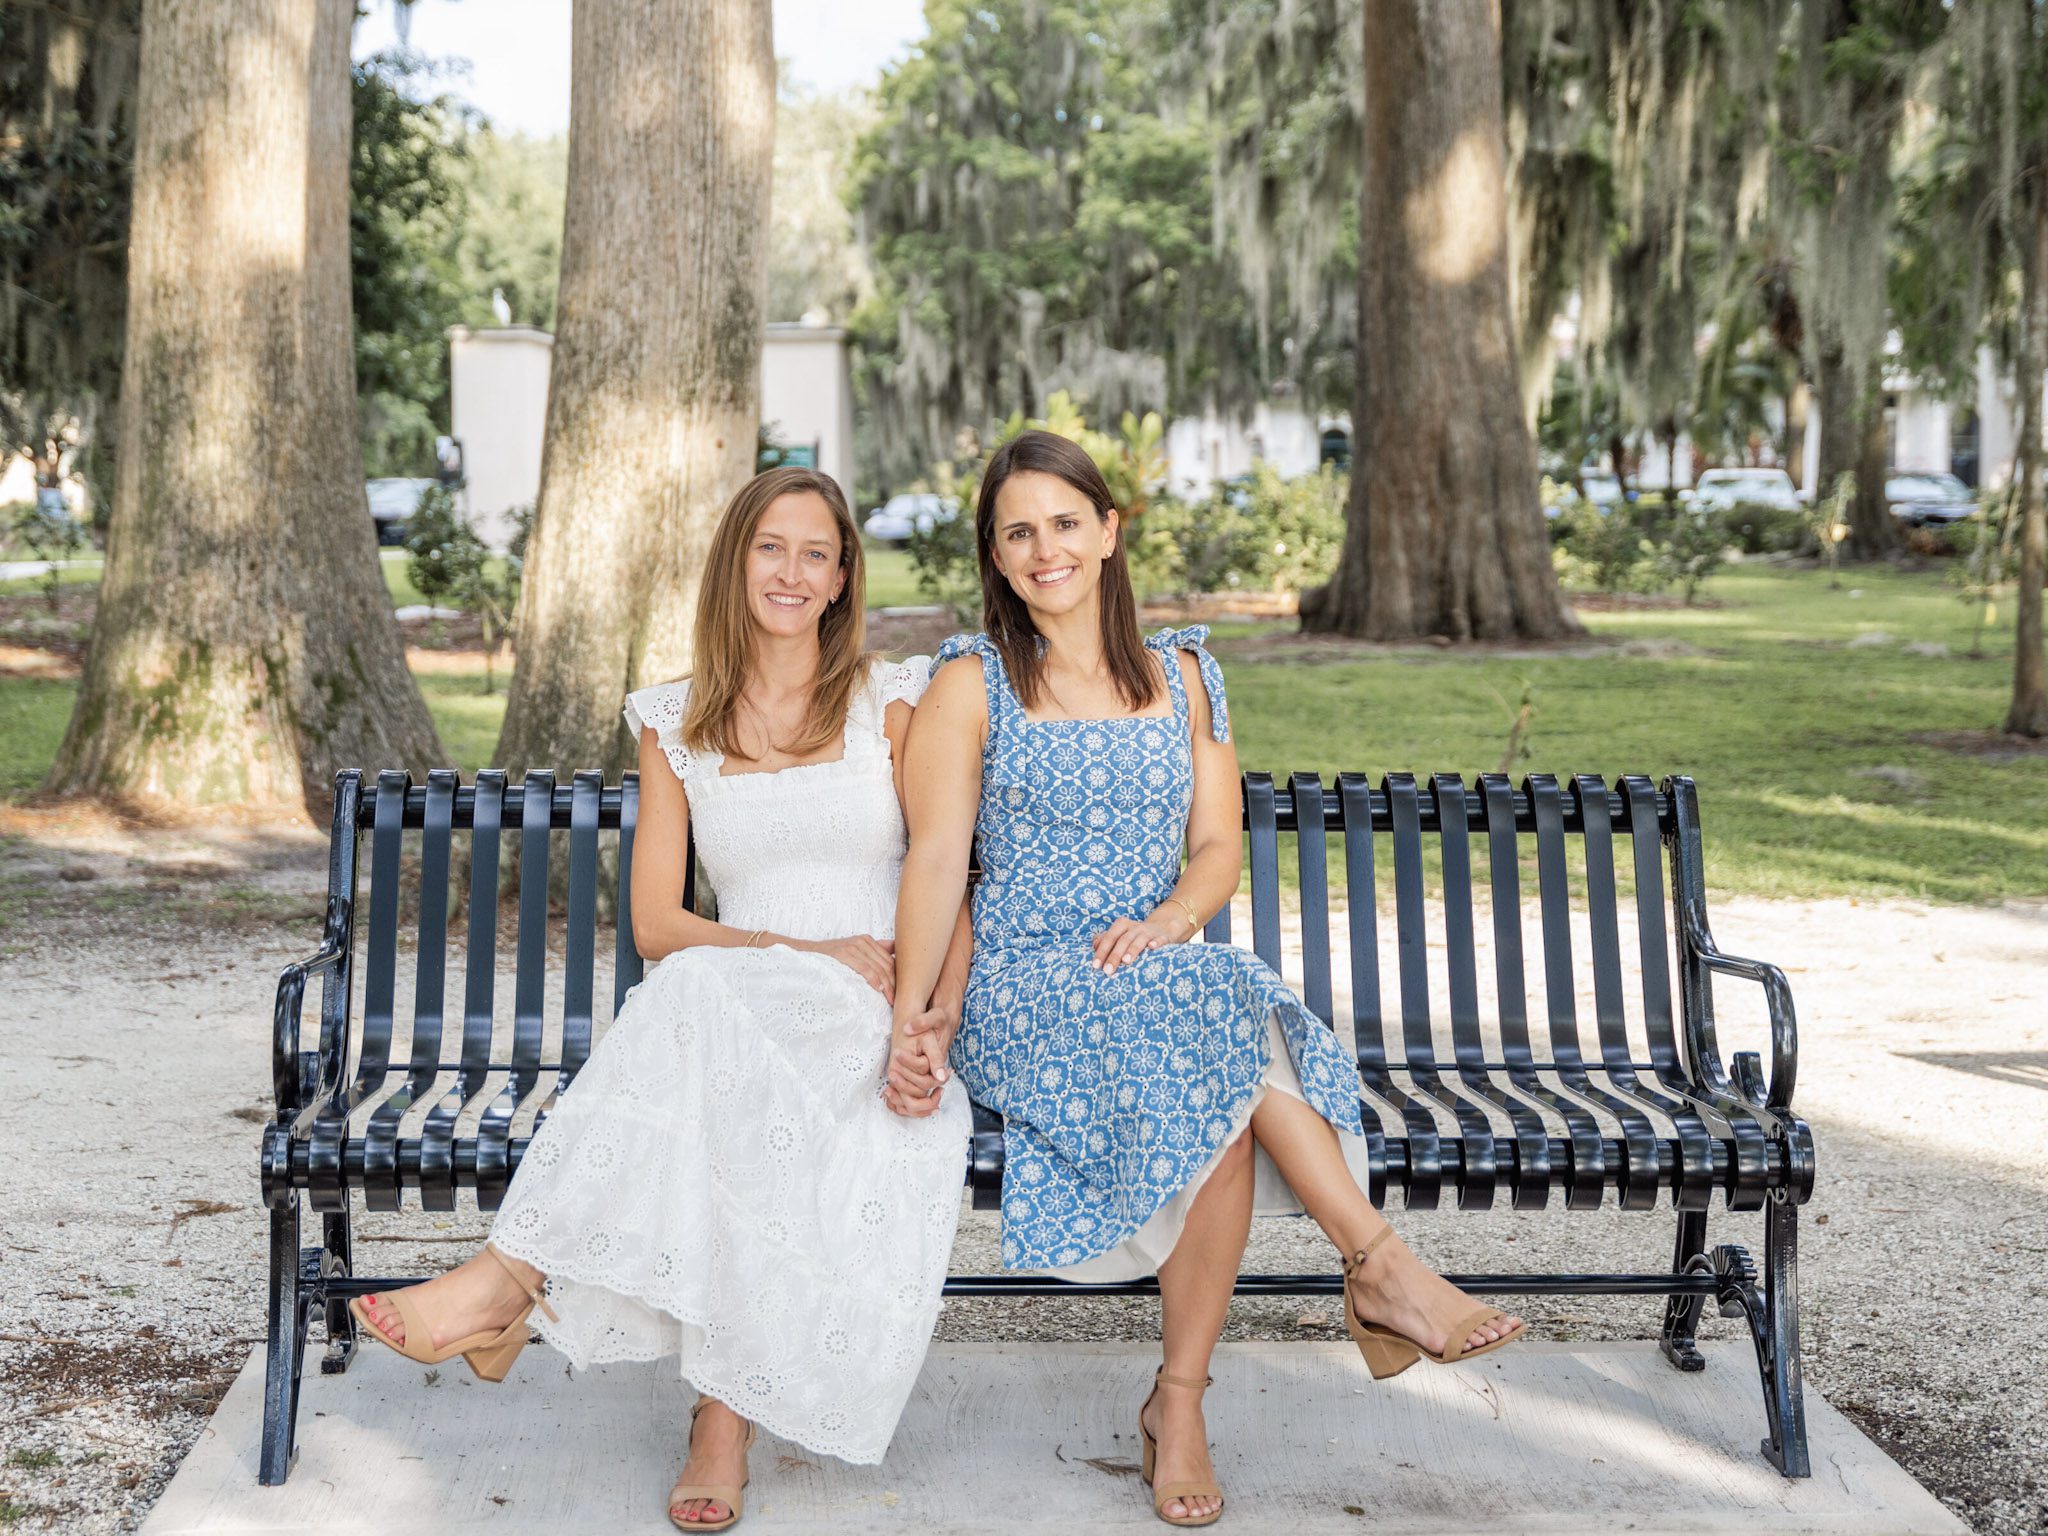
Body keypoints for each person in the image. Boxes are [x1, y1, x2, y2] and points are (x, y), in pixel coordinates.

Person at [890, 431, 1526, 1528]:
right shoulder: (971, 681)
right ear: (995, 558)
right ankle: (1371, 1267)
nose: (1045, 549)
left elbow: (1216, 850)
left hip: (1155, 967)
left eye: (1063, 522)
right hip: (1028, 987)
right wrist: (918, 1015)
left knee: (1216, 1058)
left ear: (1108, 530)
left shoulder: (1183, 674)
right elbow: (938, 861)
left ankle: (1178, 1400)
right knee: (1222, 1013)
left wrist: (1166, 922)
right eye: (1017, 533)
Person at [348, 465, 972, 1531]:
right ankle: (711, 1420)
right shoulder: (675, 719)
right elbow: (657, 925)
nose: (789, 570)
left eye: (814, 552)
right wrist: (791, 942)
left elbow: (945, 876)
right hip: (740, 990)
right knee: (699, 1001)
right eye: (769, 546)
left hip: (872, 997)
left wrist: (930, 1023)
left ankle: (508, 1284)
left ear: (840, 579)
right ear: (734, 563)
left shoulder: (889, 699)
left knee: (692, 1008)